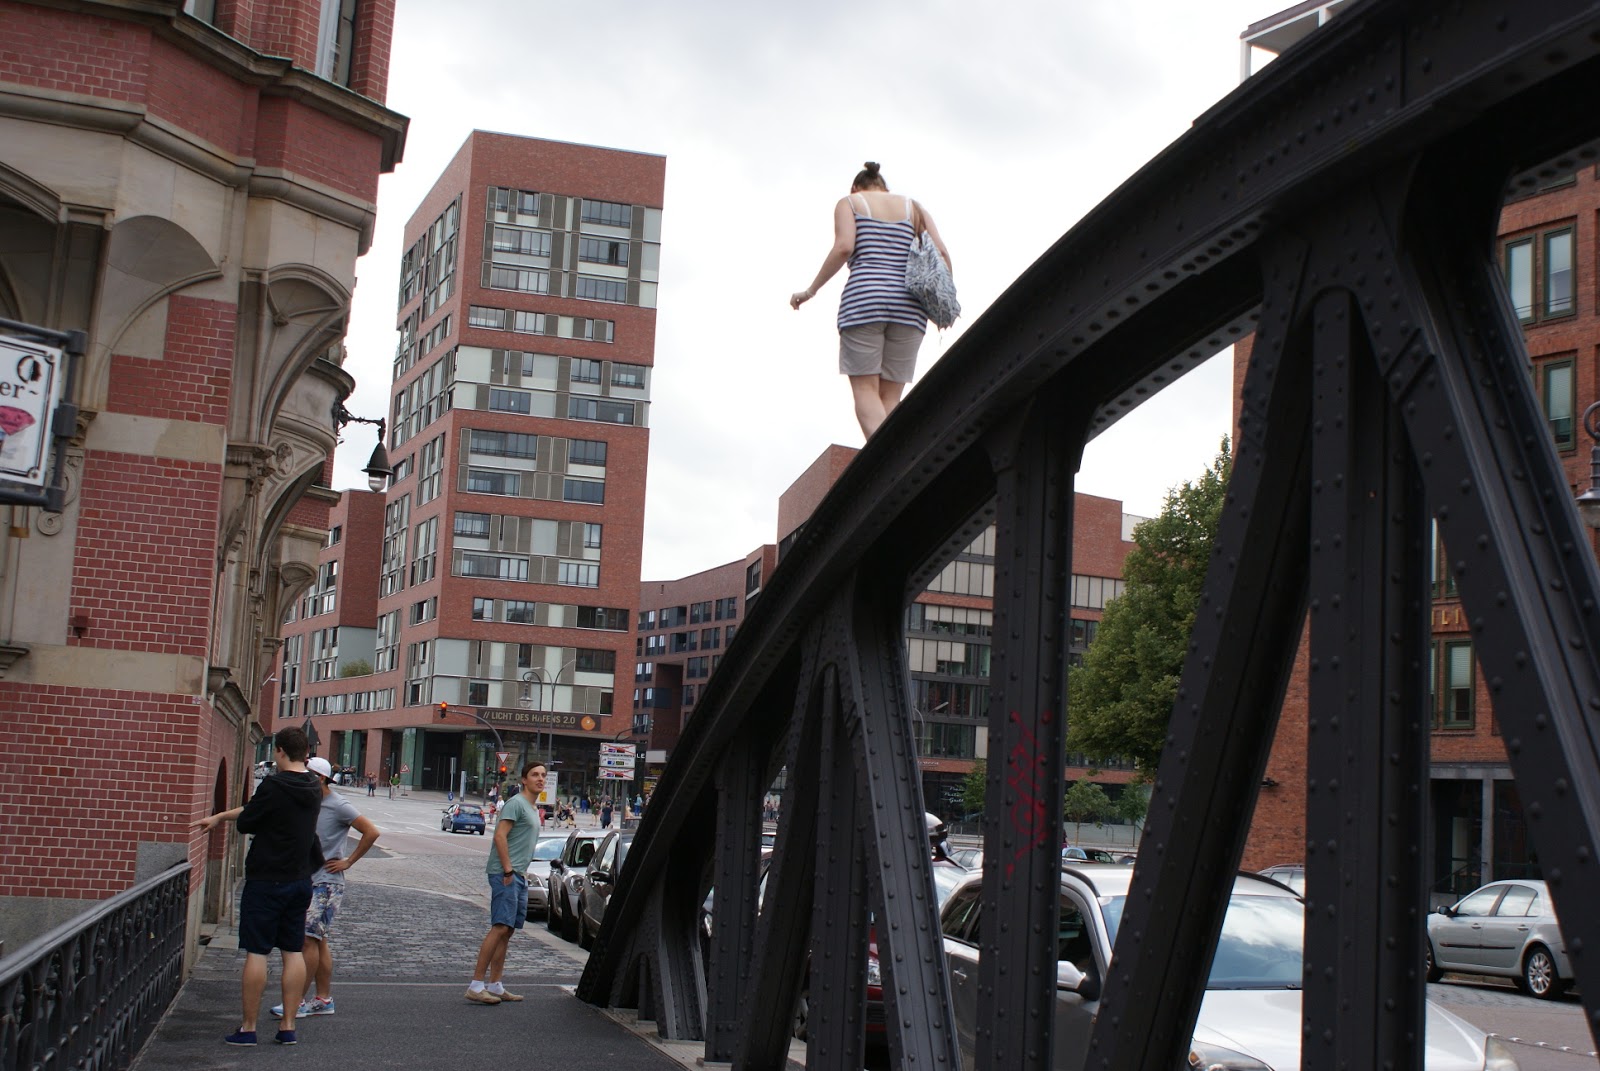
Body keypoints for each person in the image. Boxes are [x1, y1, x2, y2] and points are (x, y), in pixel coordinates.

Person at [791, 161, 952, 439]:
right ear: (884, 187)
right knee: (890, 397)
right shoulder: (914, 207)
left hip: (865, 301)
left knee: (865, 390)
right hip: (911, 308)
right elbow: (941, 252)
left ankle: (891, 464)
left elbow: (844, 248)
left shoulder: (851, 202)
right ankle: (902, 456)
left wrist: (810, 290)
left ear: (856, 187)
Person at [193, 727, 324, 1047]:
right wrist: (221, 816)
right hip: (299, 881)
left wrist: (228, 818)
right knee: (292, 951)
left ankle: (249, 1028)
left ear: (279, 751)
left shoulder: (275, 784)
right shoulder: (312, 785)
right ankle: (288, 1026)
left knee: (257, 953)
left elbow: (250, 820)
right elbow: (262, 811)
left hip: (266, 880)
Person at [270, 756, 380, 1021]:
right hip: (309, 879)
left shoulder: (337, 804)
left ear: (319, 778)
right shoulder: (308, 803)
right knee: (319, 942)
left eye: (306, 774)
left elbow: (371, 832)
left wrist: (349, 861)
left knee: (308, 940)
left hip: (326, 883)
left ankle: (296, 1001)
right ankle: (323, 998)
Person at [465, 761, 547, 1005]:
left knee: (508, 930)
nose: (540, 779)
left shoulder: (532, 808)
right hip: (505, 873)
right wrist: (509, 870)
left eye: (543, 775)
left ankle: (496, 984)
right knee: (500, 926)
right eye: (534, 775)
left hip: (518, 874)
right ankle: (476, 985)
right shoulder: (516, 804)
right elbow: (500, 836)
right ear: (524, 779)